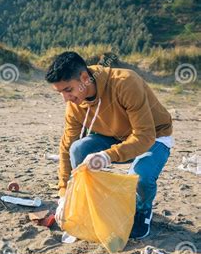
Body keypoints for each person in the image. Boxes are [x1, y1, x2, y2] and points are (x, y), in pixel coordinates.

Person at [46, 51, 173, 239]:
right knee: (77, 149)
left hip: (154, 136)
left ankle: (142, 210)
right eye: (61, 92)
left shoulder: (126, 83)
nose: (65, 98)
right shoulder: (74, 105)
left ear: (84, 78)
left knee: (140, 178)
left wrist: (107, 156)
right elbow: (66, 148)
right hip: (113, 137)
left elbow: (144, 136)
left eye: (68, 90)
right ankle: (87, 202)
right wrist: (64, 194)